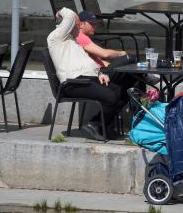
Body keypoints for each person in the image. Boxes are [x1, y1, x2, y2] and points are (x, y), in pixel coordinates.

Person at [47, 7, 126, 141]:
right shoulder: (56, 37)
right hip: (72, 83)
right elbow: (70, 15)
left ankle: (102, 126)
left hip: (86, 78)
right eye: (76, 24)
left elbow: (85, 63)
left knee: (120, 90)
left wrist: (99, 73)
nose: (78, 27)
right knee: (110, 96)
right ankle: (95, 124)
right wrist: (61, 11)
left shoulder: (72, 40)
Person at [74, 11, 144, 99]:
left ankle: (136, 103)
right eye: (91, 23)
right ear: (81, 24)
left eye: (95, 23)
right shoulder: (80, 37)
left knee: (131, 76)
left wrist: (112, 65)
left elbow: (97, 60)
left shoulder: (83, 37)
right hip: (99, 75)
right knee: (129, 58)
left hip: (102, 71)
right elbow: (105, 54)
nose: (94, 26)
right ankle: (146, 76)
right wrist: (120, 53)